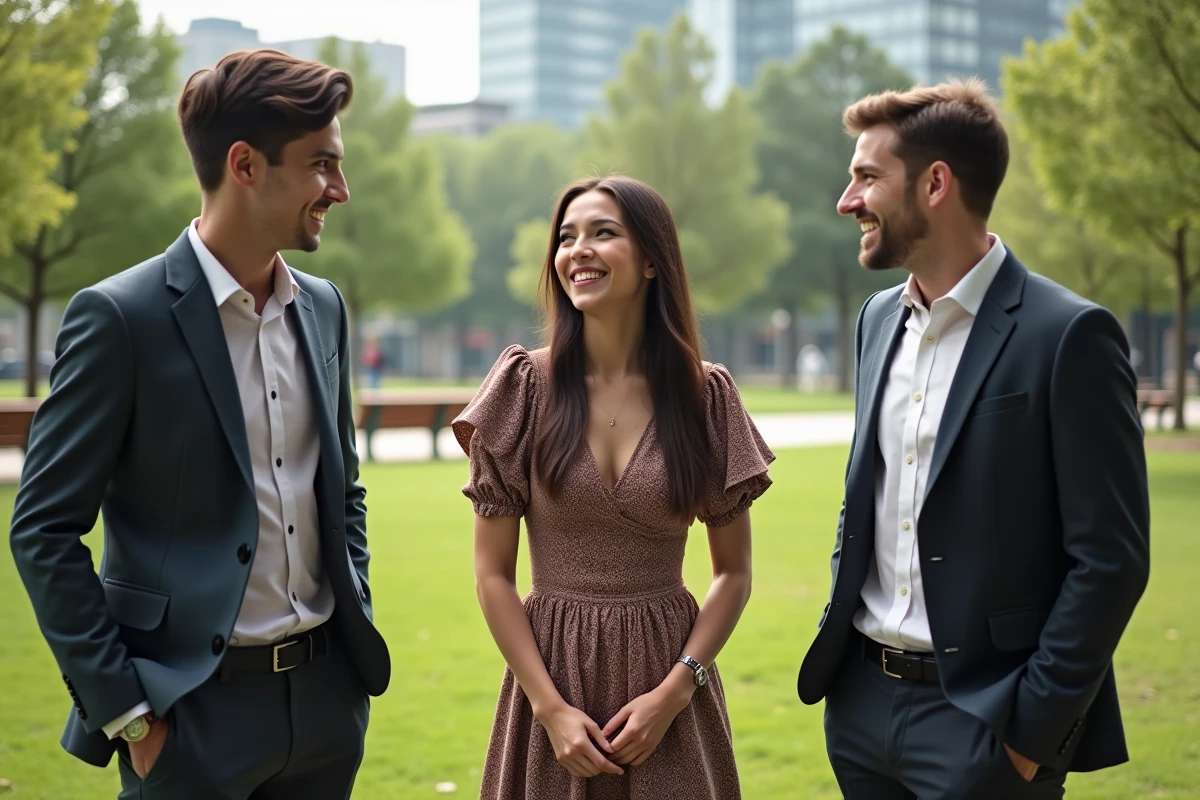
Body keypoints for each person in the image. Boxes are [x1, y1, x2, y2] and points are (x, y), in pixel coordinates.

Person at [9, 48, 390, 799]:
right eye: (321, 164)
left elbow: (342, 490)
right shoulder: (120, 318)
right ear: (245, 165)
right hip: (189, 722)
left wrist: (350, 639)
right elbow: (43, 530)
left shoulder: (325, 308)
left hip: (324, 709)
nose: (340, 189)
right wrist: (129, 715)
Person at [796, 78, 1150, 799]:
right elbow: (866, 496)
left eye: (866, 177)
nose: (847, 200)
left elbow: (1109, 559)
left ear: (935, 184)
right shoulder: (873, 322)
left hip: (986, 725)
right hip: (860, 709)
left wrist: (1031, 733)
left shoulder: (1069, 335)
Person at [453, 175, 774, 799]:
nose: (579, 250)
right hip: (549, 679)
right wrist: (548, 708)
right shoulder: (524, 387)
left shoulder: (704, 396)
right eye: (567, 237)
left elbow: (733, 573)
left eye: (604, 233)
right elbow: (492, 574)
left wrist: (678, 688)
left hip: (667, 685)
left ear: (653, 260)